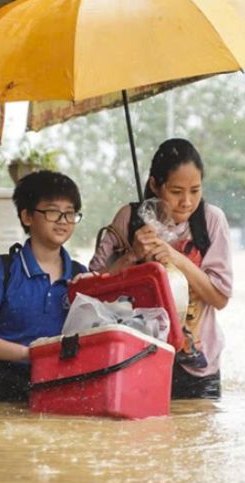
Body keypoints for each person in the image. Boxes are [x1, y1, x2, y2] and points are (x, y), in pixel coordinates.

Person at [90, 138, 232, 400]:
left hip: (198, 369)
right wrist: (132, 255)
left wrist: (176, 259)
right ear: (155, 185)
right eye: (176, 191)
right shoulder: (129, 219)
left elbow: (220, 297)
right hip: (136, 359)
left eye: (195, 191)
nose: (187, 202)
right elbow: (90, 294)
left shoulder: (211, 220)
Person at [0, 170, 88, 402]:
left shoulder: (81, 276)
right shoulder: (1, 269)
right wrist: (30, 355)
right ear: (27, 216)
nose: (63, 221)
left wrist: (91, 298)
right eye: (52, 212)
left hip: (58, 391)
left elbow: (93, 339)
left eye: (70, 214)